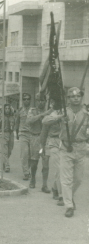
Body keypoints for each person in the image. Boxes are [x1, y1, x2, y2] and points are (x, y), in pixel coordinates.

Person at [43, 87, 88, 217]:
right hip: (66, 149)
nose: (75, 98)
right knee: (66, 179)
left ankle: (70, 196)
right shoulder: (62, 112)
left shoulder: (86, 114)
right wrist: (57, 117)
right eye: (72, 96)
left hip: (80, 148)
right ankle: (68, 205)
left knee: (78, 179)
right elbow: (45, 121)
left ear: (81, 98)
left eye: (78, 96)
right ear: (68, 99)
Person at [25, 93, 53, 189]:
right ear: (36, 101)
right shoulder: (32, 111)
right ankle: (33, 179)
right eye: (38, 100)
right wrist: (42, 115)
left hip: (46, 140)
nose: (40, 102)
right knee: (34, 162)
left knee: (46, 162)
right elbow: (28, 121)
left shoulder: (49, 111)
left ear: (45, 101)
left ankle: (44, 185)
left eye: (42, 100)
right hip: (35, 138)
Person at [41, 100, 62, 201]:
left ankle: (55, 187)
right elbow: (44, 124)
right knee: (58, 168)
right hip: (53, 141)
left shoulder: (69, 111)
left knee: (64, 169)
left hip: (66, 142)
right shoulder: (52, 114)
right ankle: (61, 194)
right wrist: (42, 148)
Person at [0, 104, 15, 173]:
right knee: (4, 151)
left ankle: (4, 163)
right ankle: (7, 166)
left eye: (8, 108)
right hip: (3, 134)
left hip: (11, 134)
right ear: (4, 110)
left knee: (9, 151)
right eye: (6, 108)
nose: (7, 110)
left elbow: (15, 125)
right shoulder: (1, 117)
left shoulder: (12, 117)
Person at [15, 93, 33, 180]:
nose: (26, 100)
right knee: (24, 154)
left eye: (28, 99)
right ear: (23, 101)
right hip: (23, 134)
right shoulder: (20, 111)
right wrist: (17, 132)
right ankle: (26, 172)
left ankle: (28, 169)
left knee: (31, 154)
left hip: (32, 134)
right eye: (25, 99)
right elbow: (17, 122)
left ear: (30, 100)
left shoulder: (33, 110)